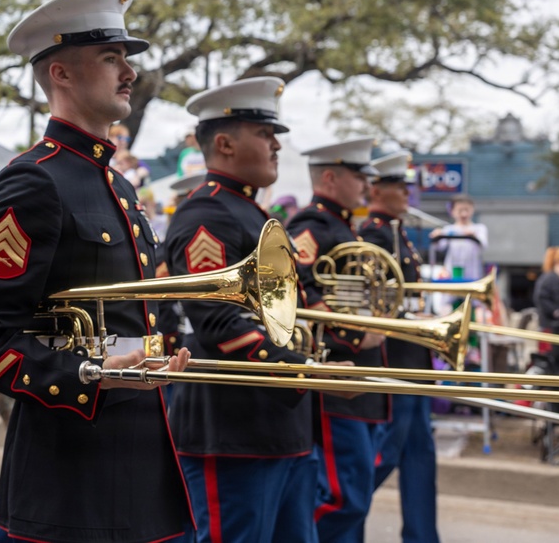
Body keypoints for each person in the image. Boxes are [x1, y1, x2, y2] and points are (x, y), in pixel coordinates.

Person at [0, 0, 194, 543]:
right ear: (60, 73)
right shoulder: (33, 180)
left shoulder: (121, 188)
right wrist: (92, 377)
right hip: (69, 480)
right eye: (111, 58)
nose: (129, 72)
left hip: (141, 459)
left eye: (125, 59)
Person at [163, 78, 318, 543]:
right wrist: (302, 371)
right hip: (232, 429)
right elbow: (219, 323)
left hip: (278, 426)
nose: (276, 145)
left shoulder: (251, 213)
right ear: (225, 143)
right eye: (264, 133)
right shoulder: (205, 214)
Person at [286, 137, 389, 543]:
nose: (367, 186)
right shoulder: (311, 225)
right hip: (337, 373)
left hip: (359, 377)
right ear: (330, 177)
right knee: (343, 497)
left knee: (356, 494)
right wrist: (354, 333)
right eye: (359, 176)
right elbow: (301, 294)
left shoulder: (346, 227)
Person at [358, 151, 440, 543]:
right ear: (376, 190)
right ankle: (338, 517)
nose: (407, 192)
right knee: (385, 453)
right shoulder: (375, 234)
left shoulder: (397, 231)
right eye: (398, 186)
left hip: (413, 357)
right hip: (395, 359)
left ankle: (423, 536)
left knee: (421, 456)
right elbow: (376, 302)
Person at [430, 194, 487, 281]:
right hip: (451, 275)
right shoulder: (448, 230)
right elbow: (440, 247)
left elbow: (483, 245)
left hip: (473, 276)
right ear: (452, 211)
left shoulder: (479, 228)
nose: (464, 214)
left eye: (467, 210)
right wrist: (437, 236)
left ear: (472, 210)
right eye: (460, 210)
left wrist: (473, 235)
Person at [532, 246, 559, 364]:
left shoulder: (554, 278)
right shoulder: (550, 278)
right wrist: (555, 311)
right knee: (551, 359)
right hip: (550, 326)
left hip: (555, 326)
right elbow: (540, 298)